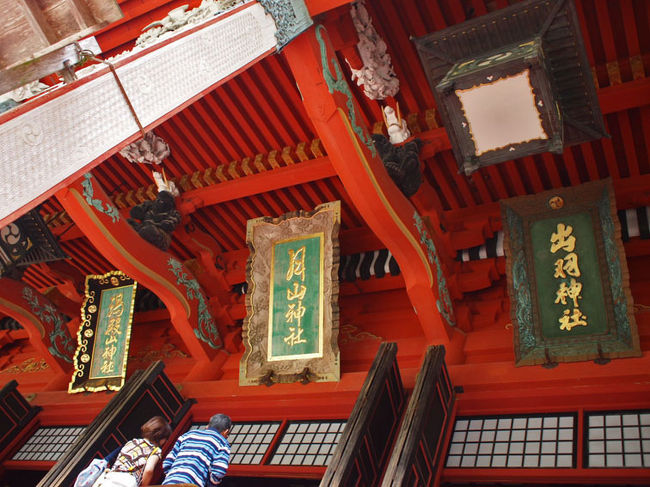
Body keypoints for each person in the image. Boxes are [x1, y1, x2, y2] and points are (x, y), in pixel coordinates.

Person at [96, 416, 172, 487]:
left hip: (111, 477)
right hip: (127, 481)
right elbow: (148, 470)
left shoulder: (132, 442)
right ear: (162, 438)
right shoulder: (155, 450)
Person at [162, 413, 231, 486]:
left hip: (169, 482)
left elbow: (167, 462)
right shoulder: (222, 443)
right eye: (227, 435)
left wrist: (173, 476)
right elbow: (219, 471)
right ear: (226, 432)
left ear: (207, 426)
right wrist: (210, 484)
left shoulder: (188, 434)